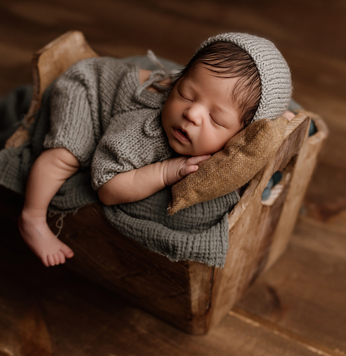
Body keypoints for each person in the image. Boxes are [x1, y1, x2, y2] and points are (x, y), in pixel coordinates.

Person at [18, 33, 294, 267]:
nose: (192, 113)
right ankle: (32, 219)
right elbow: (108, 189)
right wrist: (164, 171)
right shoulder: (144, 131)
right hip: (86, 87)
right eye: (186, 93)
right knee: (65, 155)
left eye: (216, 118)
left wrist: (276, 119)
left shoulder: (233, 123)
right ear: (178, 82)